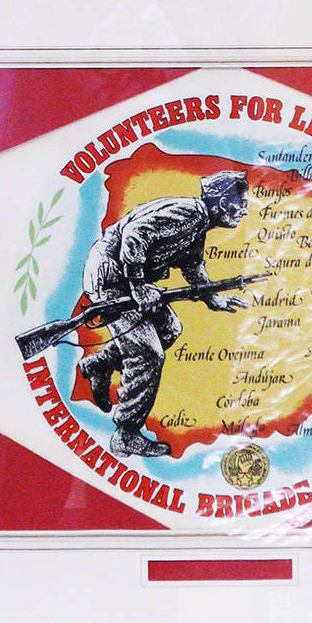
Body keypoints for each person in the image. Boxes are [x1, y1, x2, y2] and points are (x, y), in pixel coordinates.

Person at [79, 172, 249, 456]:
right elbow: (135, 235)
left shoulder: (198, 226)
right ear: (221, 202)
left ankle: (101, 364)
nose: (244, 211)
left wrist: (214, 300)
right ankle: (125, 434)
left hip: (122, 278)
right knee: (148, 353)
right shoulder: (188, 214)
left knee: (169, 328)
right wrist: (137, 286)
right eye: (240, 204)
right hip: (110, 278)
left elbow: (193, 268)